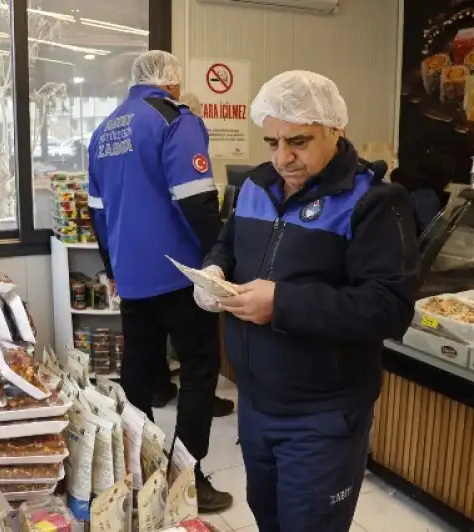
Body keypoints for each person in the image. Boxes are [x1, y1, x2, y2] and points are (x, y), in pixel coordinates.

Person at [194, 70, 420, 531]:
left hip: (323, 415)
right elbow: (227, 246)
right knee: (269, 518)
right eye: (272, 142)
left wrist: (282, 303)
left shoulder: (374, 201)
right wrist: (213, 271)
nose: (283, 158)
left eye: (298, 141)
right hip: (256, 402)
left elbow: (388, 307)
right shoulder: (256, 186)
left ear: (335, 130)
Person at [87, 50, 233, 512]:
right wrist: (221, 257)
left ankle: (139, 472)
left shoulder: (104, 130)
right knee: (198, 370)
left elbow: (97, 213)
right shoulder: (174, 119)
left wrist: (114, 269)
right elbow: (196, 201)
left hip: (131, 276)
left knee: (139, 373)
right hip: (179, 275)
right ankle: (187, 479)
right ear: (172, 84)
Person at [151, 91, 235, 419]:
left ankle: (159, 388)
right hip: (184, 260)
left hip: (150, 263)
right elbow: (198, 206)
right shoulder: (185, 127)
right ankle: (202, 404)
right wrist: (216, 250)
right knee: (197, 349)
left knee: (157, 336)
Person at [390, 156, 454, 237]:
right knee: (430, 232)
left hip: (419, 191)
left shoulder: (406, 174)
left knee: (427, 232)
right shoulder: (427, 178)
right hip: (424, 191)